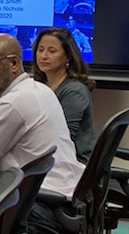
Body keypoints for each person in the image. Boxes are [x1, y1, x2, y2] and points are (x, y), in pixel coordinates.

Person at [0, 33, 84, 234]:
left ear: (14, 63)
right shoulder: (39, 89)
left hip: (44, 206)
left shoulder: (12, 104)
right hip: (67, 200)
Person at [31, 27, 96, 162]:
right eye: (40, 50)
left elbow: (64, 139)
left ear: (67, 56)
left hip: (73, 164)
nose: (44, 56)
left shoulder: (75, 91)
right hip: (50, 157)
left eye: (52, 51)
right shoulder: (38, 86)